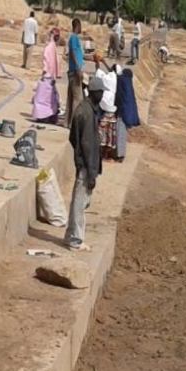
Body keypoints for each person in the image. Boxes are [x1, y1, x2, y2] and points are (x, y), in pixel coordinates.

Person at [64, 74, 105, 253]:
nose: (102, 96)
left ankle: (70, 235)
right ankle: (75, 240)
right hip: (86, 167)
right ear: (95, 93)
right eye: (101, 93)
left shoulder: (85, 109)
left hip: (82, 163)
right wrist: (91, 171)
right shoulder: (87, 113)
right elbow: (87, 144)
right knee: (80, 204)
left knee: (78, 201)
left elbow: (73, 138)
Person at [97, 57, 120, 161]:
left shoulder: (110, 81)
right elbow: (110, 71)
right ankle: (106, 155)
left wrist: (97, 63)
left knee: (102, 135)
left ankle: (101, 155)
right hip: (112, 115)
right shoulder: (116, 80)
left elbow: (99, 74)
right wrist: (104, 62)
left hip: (106, 114)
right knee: (110, 137)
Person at [115, 65, 140, 159]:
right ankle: (120, 153)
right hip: (128, 113)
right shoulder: (129, 85)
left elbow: (119, 98)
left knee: (120, 133)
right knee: (123, 134)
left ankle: (119, 155)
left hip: (122, 113)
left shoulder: (121, 82)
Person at [66, 18, 86, 123]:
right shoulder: (74, 38)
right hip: (75, 71)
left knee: (70, 97)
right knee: (78, 98)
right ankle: (74, 123)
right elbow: (73, 53)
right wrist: (78, 68)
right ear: (78, 26)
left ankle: (68, 121)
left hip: (73, 70)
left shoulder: (73, 38)